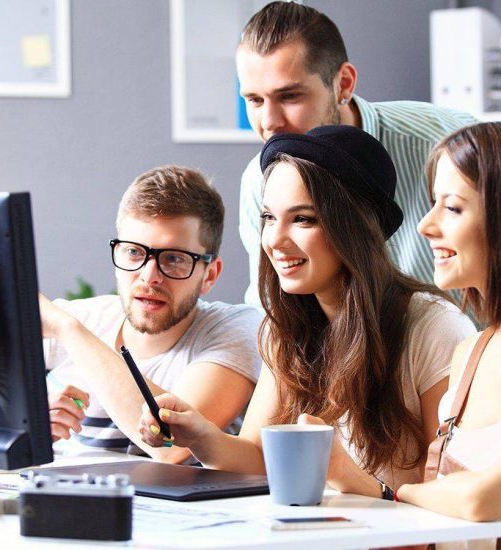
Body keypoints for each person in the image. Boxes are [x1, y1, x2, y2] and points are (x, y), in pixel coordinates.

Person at [138, 126, 475, 494]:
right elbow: (259, 460)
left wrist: (341, 471)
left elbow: (448, 497)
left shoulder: (435, 328)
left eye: (302, 219)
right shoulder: (286, 330)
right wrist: (199, 434)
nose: (274, 240)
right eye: (269, 217)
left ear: (355, 228)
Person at [237, 1, 476, 308]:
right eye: (255, 100)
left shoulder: (445, 144)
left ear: (344, 84)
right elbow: (270, 308)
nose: (269, 122)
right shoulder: (258, 181)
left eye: (290, 96)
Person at [41, 165, 262, 464]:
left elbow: (171, 446)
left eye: (174, 258)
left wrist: (69, 331)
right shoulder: (85, 316)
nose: (149, 276)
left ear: (209, 275)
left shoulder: (237, 330)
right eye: (134, 252)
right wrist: (25, 423)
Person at [396, 123, 501, 526]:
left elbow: (481, 500)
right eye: (432, 203)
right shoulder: (468, 354)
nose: (425, 225)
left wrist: (404, 492)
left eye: (452, 208)